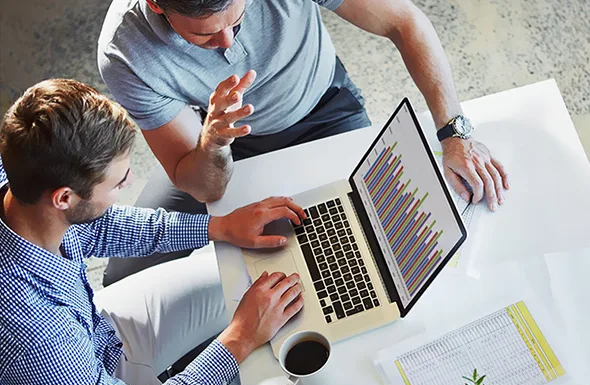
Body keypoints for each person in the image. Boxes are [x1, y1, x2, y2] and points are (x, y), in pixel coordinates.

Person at [98, 0, 509, 285]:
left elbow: (403, 20)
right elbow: (207, 187)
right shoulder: (125, 51)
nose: (227, 44)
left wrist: (454, 130)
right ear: (156, 6)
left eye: (236, 21)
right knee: (127, 276)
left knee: (370, 253)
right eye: (203, 36)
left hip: (325, 114)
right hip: (217, 139)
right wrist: (215, 141)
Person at [0, 79, 305, 385]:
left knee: (244, 274)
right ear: (64, 198)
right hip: (77, 377)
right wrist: (239, 340)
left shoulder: (22, 170)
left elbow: (99, 225)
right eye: (118, 183)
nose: (131, 181)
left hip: (97, 336)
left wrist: (218, 227)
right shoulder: (34, 331)